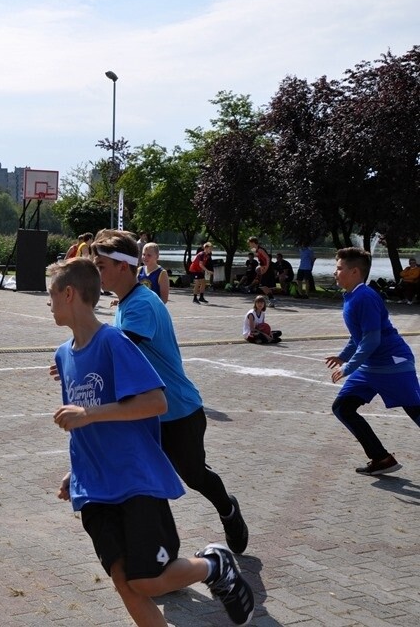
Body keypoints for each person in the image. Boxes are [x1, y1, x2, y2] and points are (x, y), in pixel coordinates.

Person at [47, 257, 255, 627]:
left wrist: (89, 414)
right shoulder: (64, 355)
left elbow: (155, 402)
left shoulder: (114, 342)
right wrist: (75, 470)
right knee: (124, 583)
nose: (48, 303)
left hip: (134, 481)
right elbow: (86, 426)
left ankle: (214, 564)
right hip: (93, 489)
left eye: (51, 294)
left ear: (69, 293)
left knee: (146, 581)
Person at [90, 230, 250, 555]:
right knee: (143, 477)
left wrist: (80, 354)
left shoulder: (141, 305)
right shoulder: (127, 302)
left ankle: (228, 509)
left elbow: (121, 352)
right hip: (147, 411)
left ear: (123, 266)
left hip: (178, 411)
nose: (96, 272)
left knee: (194, 476)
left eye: (101, 265)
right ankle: (157, 551)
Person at [326, 247, 420, 476]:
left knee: (416, 411)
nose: (335, 272)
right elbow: (358, 335)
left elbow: (371, 339)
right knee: (342, 408)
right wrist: (343, 356)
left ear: (355, 272)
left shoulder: (365, 297)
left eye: (339, 268)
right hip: (370, 367)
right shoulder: (352, 296)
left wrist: (348, 367)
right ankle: (381, 458)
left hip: (393, 365)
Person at [248, 237, 277, 307]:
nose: (249, 245)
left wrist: (266, 268)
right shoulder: (257, 250)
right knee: (264, 286)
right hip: (264, 268)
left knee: (263, 286)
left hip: (267, 268)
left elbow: (267, 258)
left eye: (250, 243)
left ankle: (272, 299)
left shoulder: (260, 250)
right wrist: (260, 267)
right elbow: (262, 260)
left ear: (253, 243)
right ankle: (272, 300)